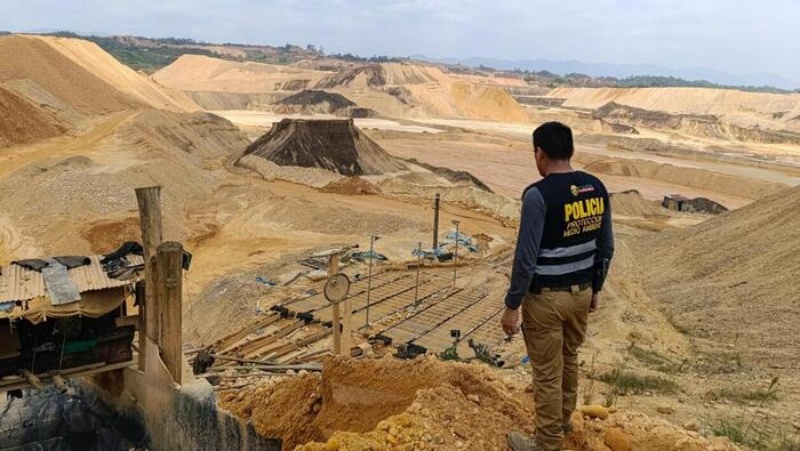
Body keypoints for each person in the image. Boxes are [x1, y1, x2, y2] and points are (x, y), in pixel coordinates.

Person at [502, 122, 614, 451]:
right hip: (582, 293)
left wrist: (512, 305)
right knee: (569, 358)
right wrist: (595, 288)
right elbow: (606, 247)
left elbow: (525, 259)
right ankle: (563, 421)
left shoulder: (537, 196)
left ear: (540, 153)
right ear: (570, 150)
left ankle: (547, 443)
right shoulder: (596, 187)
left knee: (547, 373)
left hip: (546, 300)